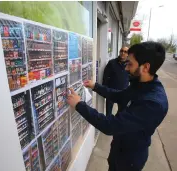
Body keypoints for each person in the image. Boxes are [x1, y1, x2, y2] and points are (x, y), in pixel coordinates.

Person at [67, 41, 168, 171]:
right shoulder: (139, 84)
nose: (126, 68)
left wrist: (79, 105)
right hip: (118, 149)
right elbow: (119, 96)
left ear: (146, 67)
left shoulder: (153, 103)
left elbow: (111, 125)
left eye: (130, 64)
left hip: (129, 160)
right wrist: (95, 86)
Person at [103, 47, 129, 116]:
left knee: (122, 113)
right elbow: (105, 77)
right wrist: (104, 90)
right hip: (111, 92)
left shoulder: (129, 65)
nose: (123, 53)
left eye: (125, 52)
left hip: (123, 93)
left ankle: (117, 124)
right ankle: (108, 125)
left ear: (127, 54)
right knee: (108, 113)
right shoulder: (112, 63)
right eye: (121, 51)